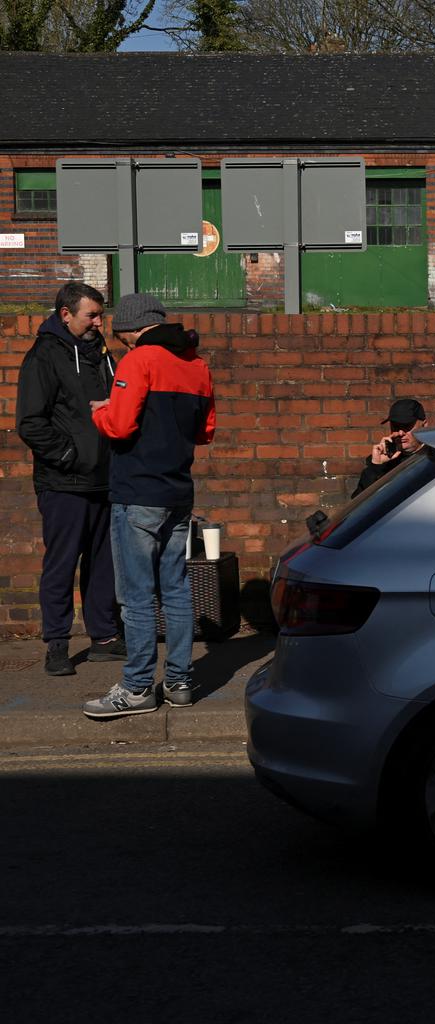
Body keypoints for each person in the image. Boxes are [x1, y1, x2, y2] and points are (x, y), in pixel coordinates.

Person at [84, 293, 216, 720]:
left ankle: (138, 687)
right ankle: (179, 682)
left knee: (136, 598)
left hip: (137, 493)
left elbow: (120, 426)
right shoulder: (197, 366)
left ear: (129, 328)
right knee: (176, 591)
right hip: (177, 493)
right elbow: (205, 432)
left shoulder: (137, 360)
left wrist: (100, 413)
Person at [15, 281, 126, 677]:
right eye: (91, 315)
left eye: (100, 314)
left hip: (106, 477)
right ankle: (57, 644)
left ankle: (104, 638)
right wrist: (69, 456)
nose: (100, 322)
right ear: (66, 314)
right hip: (63, 482)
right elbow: (30, 421)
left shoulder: (102, 355)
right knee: (61, 564)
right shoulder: (45, 357)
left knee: (103, 564)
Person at [354, 398, 428, 496]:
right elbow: (359, 504)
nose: (401, 433)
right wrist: (376, 466)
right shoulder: (385, 461)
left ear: (424, 425)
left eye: (407, 426)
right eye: (396, 426)